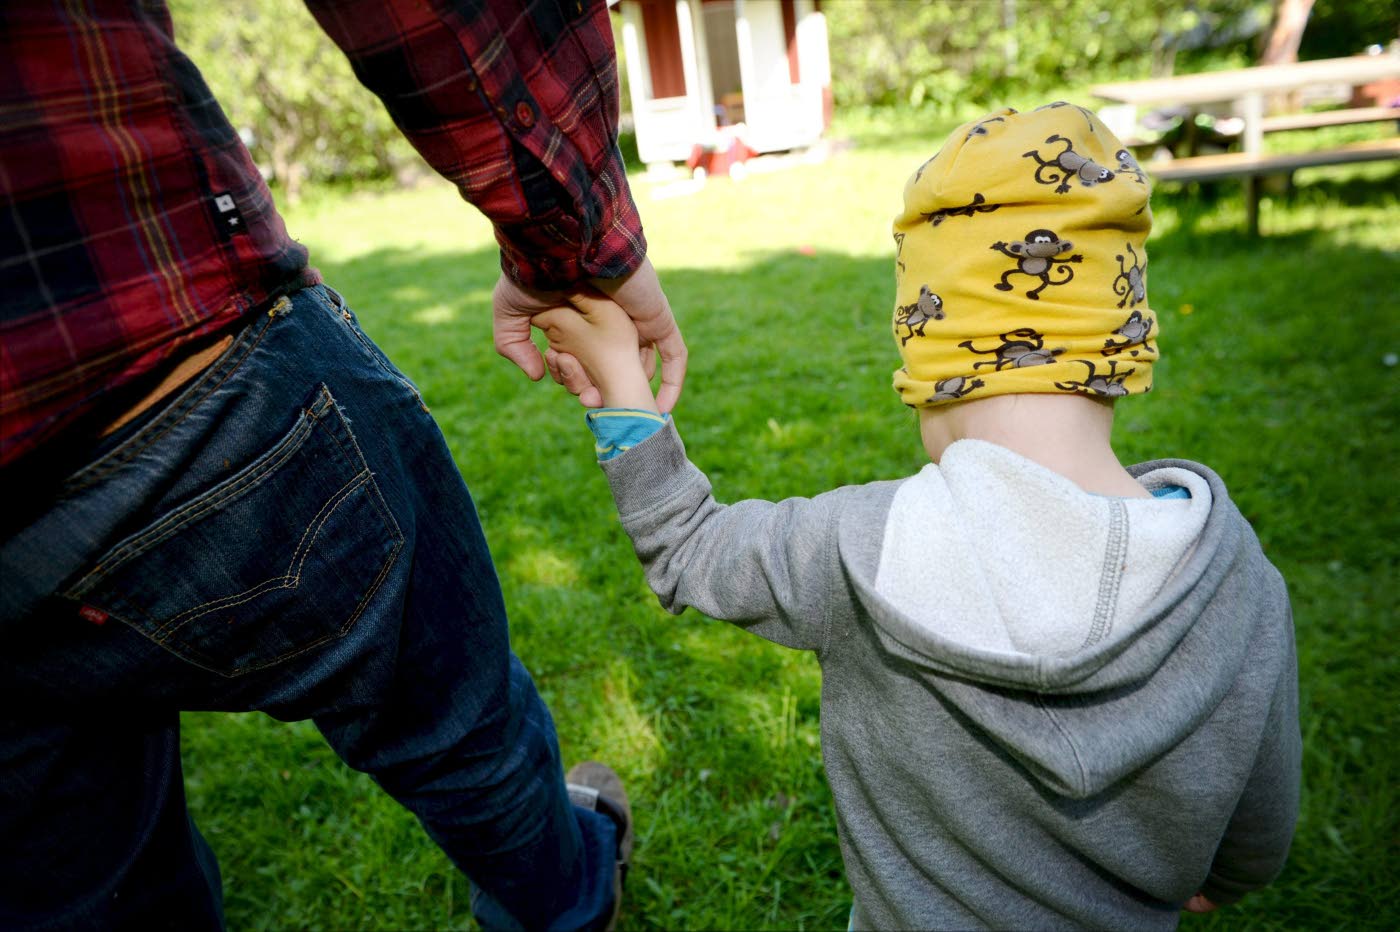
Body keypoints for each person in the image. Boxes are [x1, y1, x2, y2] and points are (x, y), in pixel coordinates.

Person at [533, 104, 1301, 930]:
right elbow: (1255, 840)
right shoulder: (1241, 586)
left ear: (927, 353)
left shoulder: (859, 555)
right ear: (1119, 346)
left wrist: (621, 378)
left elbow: (688, 546)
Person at [0, 1, 682, 929]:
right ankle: (568, 897)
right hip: (184, 381)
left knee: (68, 887)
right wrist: (573, 242)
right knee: (457, 726)